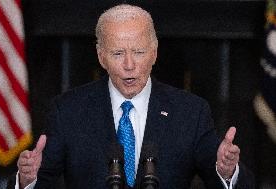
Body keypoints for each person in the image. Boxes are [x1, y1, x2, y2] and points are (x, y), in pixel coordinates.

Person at [15, 4, 254, 189]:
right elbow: (41, 181)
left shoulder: (190, 111)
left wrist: (227, 171)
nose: (129, 65)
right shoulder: (68, 110)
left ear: (154, 53)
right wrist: (28, 179)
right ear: (101, 57)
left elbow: (229, 181)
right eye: (118, 53)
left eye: (139, 52)